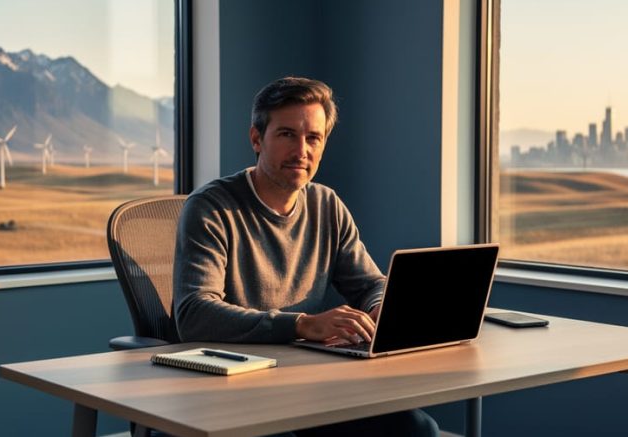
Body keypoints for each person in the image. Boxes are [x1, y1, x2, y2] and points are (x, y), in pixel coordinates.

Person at [173, 77, 438, 436]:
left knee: (416, 429)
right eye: (286, 135)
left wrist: (380, 308)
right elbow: (194, 314)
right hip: (233, 389)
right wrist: (300, 324)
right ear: (256, 138)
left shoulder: (326, 204)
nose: (302, 151)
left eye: (313, 138)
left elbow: (370, 282)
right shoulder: (210, 208)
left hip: (309, 383)